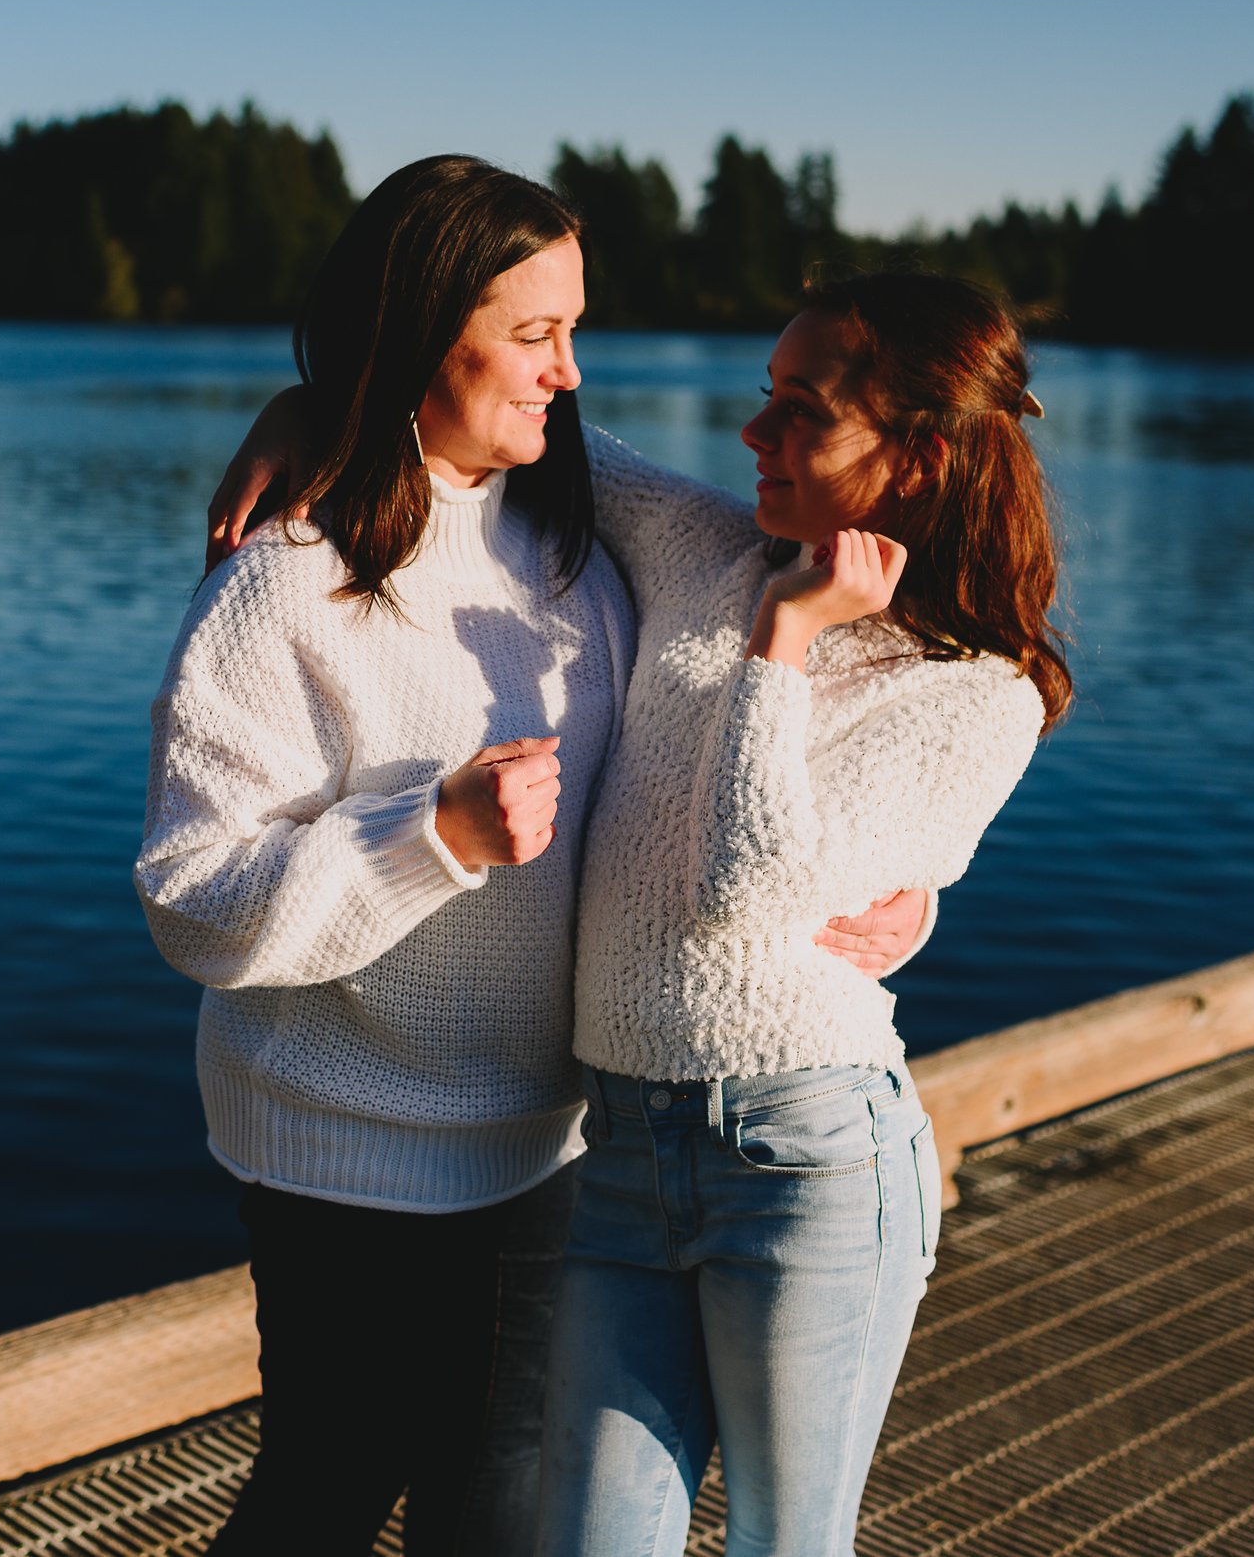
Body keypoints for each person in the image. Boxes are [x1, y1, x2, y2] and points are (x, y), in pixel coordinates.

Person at [211, 271, 1064, 1555]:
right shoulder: (709, 547)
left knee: (786, 1539)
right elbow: (530, 426)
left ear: (922, 458)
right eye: (765, 397)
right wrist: (316, 405)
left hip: (802, 1160)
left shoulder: (980, 690)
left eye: (802, 412)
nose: (753, 435)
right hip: (609, 1150)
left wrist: (780, 647)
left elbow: (743, 896)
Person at [135, 154, 629, 1555]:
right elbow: (192, 900)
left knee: (500, 1503)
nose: (569, 372)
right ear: (418, 330)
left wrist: (892, 864)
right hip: (343, 1152)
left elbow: (783, 566)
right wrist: (431, 836)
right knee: (328, 1487)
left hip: (549, 1144)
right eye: (533, 334)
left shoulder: (582, 536)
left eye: (574, 329)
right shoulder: (287, 575)